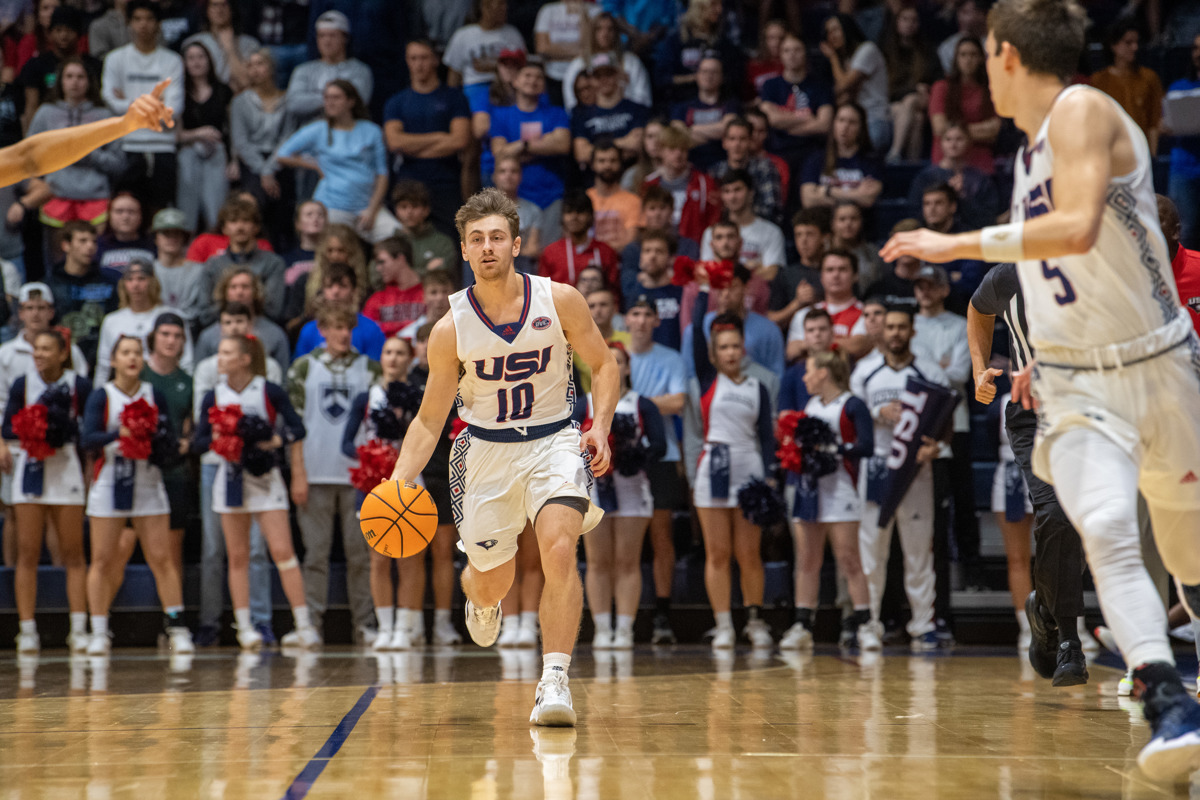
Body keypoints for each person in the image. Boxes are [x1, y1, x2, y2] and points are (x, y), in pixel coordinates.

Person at [881, 0, 1200, 776]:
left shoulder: (1084, 109)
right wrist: (1040, 359)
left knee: (1190, 558)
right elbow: (1064, 279)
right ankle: (1168, 703)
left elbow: (1081, 227)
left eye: (986, 53)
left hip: (1160, 366)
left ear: (1009, 55)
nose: (982, 67)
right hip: (1083, 383)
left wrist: (951, 243)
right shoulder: (1028, 159)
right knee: (1103, 529)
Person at [387, 187, 617, 727]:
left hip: (555, 438)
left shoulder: (559, 300)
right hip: (485, 451)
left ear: (516, 244)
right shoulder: (449, 330)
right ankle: (482, 598)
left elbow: (604, 366)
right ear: (464, 252)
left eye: (496, 237)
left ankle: (554, 679)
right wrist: (397, 481)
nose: (487, 247)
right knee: (492, 578)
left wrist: (599, 427)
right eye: (476, 240)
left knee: (560, 547)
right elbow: (428, 420)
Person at [967, 261, 1089, 686]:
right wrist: (978, 367)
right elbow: (978, 309)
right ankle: (1070, 640)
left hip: (1092, 415)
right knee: (1055, 514)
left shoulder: (1098, 268)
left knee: (1085, 525)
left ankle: (1043, 611)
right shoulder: (1007, 276)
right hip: (1032, 417)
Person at [194, 333, 314, 649]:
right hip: (230, 479)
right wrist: (219, 439)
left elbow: (298, 428)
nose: (219, 358)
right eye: (220, 352)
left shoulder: (269, 391)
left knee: (282, 552)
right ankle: (244, 628)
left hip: (266, 479)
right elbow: (197, 441)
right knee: (237, 556)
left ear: (245, 359)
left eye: (226, 352)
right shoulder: (212, 396)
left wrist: (275, 441)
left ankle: (304, 626)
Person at [81, 335, 192, 656]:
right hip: (109, 484)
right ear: (113, 360)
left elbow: (168, 439)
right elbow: (88, 439)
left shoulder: (153, 394)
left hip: (147, 483)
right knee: (102, 559)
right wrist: (121, 434)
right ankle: (99, 629)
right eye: (125, 352)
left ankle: (176, 625)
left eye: (137, 353)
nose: (132, 358)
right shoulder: (102, 395)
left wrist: (156, 440)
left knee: (162, 558)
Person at [684, 268, 776, 650]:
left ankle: (754, 620)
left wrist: (770, 478)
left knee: (749, 553)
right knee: (718, 553)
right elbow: (695, 339)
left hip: (750, 471)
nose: (731, 352)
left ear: (744, 349)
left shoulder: (760, 386)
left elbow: (768, 438)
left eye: (736, 346)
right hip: (713, 471)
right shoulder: (707, 380)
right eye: (723, 347)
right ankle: (723, 625)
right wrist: (705, 289)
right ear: (714, 353)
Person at [849, 307, 945, 651]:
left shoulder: (930, 371)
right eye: (890, 326)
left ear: (912, 331)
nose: (895, 332)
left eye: (902, 326)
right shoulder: (864, 372)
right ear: (881, 331)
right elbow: (850, 419)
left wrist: (936, 445)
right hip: (876, 469)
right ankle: (870, 623)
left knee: (918, 551)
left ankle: (923, 624)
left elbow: (944, 421)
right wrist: (877, 412)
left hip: (916, 472)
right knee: (872, 550)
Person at [288, 304, 380, 645]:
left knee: (361, 556)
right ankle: (309, 624)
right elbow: (294, 427)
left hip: (359, 478)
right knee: (315, 556)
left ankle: (366, 625)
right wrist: (298, 472)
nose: (343, 334)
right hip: (314, 474)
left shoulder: (370, 369)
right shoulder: (302, 368)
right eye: (335, 327)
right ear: (322, 330)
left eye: (347, 328)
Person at [191, 303, 281, 646]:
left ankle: (261, 622)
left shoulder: (268, 372)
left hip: (255, 471)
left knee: (256, 551)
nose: (231, 326)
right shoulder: (207, 373)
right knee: (216, 550)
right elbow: (201, 433)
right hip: (218, 471)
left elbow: (280, 426)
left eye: (238, 321)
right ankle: (211, 622)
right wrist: (220, 440)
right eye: (226, 320)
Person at [4, 328, 91, 653]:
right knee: (28, 552)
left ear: (62, 353)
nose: (38, 354)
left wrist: (60, 428)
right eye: (35, 349)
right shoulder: (22, 383)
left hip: (65, 469)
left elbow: (88, 430)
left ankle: (78, 629)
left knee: (73, 554)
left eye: (45, 349)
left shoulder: (78, 385)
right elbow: (7, 426)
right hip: (31, 471)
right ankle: (27, 629)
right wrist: (32, 425)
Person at [782, 349, 875, 650]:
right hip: (811, 488)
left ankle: (866, 624)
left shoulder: (852, 404)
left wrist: (833, 450)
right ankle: (802, 624)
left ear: (823, 372)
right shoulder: (810, 405)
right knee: (808, 560)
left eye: (809, 371)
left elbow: (867, 446)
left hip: (841, 490)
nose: (805, 377)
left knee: (849, 559)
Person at [341, 335, 422, 650]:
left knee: (409, 559)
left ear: (410, 358)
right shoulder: (366, 397)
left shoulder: (418, 397)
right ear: (381, 358)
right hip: (374, 483)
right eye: (388, 352)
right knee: (378, 558)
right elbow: (345, 443)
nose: (393, 358)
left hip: (410, 481)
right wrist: (370, 456)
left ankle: (405, 628)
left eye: (400, 353)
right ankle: (385, 628)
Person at [584, 340, 665, 648]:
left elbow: (660, 446)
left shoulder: (643, 404)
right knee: (597, 561)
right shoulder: (583, 404)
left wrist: (634, 455)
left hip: (632, 488)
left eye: (619, 361)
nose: (614, 366)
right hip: (595, 490)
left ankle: (625, 630)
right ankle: (603, 629)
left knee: (627, 561)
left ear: (628, 367)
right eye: (608, 361)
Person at [624, 295, 686, 643]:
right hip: (619, 456)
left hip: (661, 456)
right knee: (619, 538)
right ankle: (619, 620)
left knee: (661, 534)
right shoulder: (612, 351)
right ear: (627, 319)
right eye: (635, 312)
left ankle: (663, 613)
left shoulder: (671, 358)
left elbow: (678, 402)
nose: (642, 319)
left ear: (656, 321)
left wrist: (635, 405)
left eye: (648, 314)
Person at [275, 79, 399, 244]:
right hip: (332, 206)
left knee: (399, 237)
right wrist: (314, 164)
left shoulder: (371, 130)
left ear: (351, 101)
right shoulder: (318, 129)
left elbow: (382, 173)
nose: (330, 102)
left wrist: (372, 209)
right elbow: (283, 154)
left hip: (367, 206)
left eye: (336, 97)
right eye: (327, 98)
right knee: (335, 246)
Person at [404, 321, 466, 646]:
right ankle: (411, 625)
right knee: (411, 552)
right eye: (422, 341)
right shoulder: (407, 383)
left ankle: (442, 624)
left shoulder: (460, 381)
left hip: (445, 475)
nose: (427, 346)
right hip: (414, 475)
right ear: (415, 347)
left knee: (444, 552)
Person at [26, 57, 123, 244]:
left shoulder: (104, 115)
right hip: (55, 196)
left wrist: (89, 154)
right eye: (69, 76)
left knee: (91, 256)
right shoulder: (45, 113)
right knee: (57, 263)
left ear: (90, 81)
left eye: (80, 77)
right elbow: (29, 157)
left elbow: (118, 163)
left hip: (95, 198)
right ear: (61, 81)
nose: (74, 82)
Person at [100, 0, 185, 212]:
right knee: (126, 211)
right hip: (126, 145)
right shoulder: (115, 59)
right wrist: (155, 104)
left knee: (160, 211)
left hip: (163, 145)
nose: (143, 25)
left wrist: (129, 104)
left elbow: (174, 108)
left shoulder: (172, 61)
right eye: (137, 19)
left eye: (149, 19)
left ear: (158, 24)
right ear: (129, 23)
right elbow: (110, 100)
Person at [384, 40, 471, 239]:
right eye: (413, 58)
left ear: (435, 60)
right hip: (409, 179)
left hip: (446, 181)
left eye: (424, 58)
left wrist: (412, 145)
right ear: (407, 61)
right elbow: (395, 143)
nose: (419, 64)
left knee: (450, 240)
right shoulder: (396, 102)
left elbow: (459, 141)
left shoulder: (454, 98)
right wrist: (440, 137)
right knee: (407, 241)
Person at [489, 59, 571, 236]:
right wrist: (532, 143)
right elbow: (500, 153)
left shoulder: (556, 113)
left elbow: (562, 145)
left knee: (549, 253)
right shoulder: (501, 115)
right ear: (515, 81)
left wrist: (518, 149)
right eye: (527, 75)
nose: (533, 81)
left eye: (539, 77)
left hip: (551, 194)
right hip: (515, 196)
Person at [231, 49, 294, 249]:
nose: (255, 70)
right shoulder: (240, 102)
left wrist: (271, 168)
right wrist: (264, 170)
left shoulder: (288, 100)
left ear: (272, 67)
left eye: (260, 64)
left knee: (283, 207)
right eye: (250, 65)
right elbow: (241, 141)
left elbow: (289, 137)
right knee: (255, 203)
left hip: (282, 159)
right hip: (252, 160)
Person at [757, 33, 834, 194]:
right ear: (781, 55)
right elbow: (770, 119)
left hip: (812, 151)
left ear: (805, 53)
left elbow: (824, 125)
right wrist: (806, 117)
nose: (792, 55)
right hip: (778, 150)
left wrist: (785, 124)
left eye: (797, 50)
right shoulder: (770, 85)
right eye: (787, 50)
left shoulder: (820, 86)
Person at [194, 196, 286, 328]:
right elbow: (204, 315)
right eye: (233, 221)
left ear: (256, 227)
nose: (240, 226)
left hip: (261, 330)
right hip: (219, 330)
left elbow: (273, 311)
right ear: (224, 228)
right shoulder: (212, 265)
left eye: (246, 220)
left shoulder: (273, 263)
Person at [988, 387, 1034, 649]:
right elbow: (988, 436)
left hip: (1049, 473)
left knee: (1061, 555)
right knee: (1017, 558)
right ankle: (1027, 629)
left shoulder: (1057, 394)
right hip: (1011, 477)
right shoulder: (999, 405)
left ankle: (1072, 628)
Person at [682, 261, 785, 378]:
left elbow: (777, 377)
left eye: (732, 287)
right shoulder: (695, 330)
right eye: (720, 286)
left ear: (746, 288)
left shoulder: (769, 331)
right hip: (707, 394)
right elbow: (688, 375)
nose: (725, 293)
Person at [94, 262, 193, 383]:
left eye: (141, 279)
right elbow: (104, 366)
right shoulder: (111, 321)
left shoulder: (172, 317)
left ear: (152, 282)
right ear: (123, 285)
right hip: (123, 388)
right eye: (130, 279)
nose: (135, 285)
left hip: (164, 385)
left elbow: (186, 362)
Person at [175, 41, 233, 235]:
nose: (196, 62)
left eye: (201, 57)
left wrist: (235, 161)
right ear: (184, 63)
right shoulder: (178, 92)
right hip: (188, 152)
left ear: (209, 60)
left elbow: (234, 130)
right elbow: (174, 134)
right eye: (190, 58)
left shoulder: (223, 90)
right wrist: (198, 133)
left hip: (217, 153)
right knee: (187, 211)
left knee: (216, 212)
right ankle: (189, 252)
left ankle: (215, 254)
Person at [45, 220, 118, 367]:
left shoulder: (110, 282)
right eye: (83, 241)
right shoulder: (50, 285)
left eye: (94, 241)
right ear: (66, 245)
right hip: (62, 359)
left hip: (102, 358)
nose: (90, 246)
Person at [284, 10, 372, 130]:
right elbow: (293, 104)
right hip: (307, 135)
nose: (327, 41)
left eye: (332, 35)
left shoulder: (360, 70)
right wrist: (336, 98)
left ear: (345, 38)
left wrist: (312, 100)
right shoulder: (303, 70)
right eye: (322, 36)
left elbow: (358, 102)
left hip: (346, 133)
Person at [1089, 20, 1163, 156]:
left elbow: (1155, 120)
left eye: (1137, 43)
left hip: (1141, 151)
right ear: (1114, 45)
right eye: (1128, 43)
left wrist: (1152, 155)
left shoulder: (1149, 77)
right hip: (1110, 152)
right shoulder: (1098, 80)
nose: (1134, 47)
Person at [18, 7, 99, 130]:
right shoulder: (35, 65)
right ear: (50, 33)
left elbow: (98, 100)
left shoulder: (94, 66)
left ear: (78, 33)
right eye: (58, 30)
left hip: (87, 125)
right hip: (48, 128)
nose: (63, 35)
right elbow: (31, 106)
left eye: (69, 30)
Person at [908, 123, 1002, 229]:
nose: (953, 144)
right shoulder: (925, 178)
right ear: (941, 143)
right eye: (948, 139)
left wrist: (963, 197)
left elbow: (989, 217)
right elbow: (914, 212)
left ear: (969, 142)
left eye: (959, 139)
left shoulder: (981, 179)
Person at [699, 170, 786, 284]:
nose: (732, 197)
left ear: (750, 193)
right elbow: (706, 273)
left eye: (737, 190)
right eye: (727, 191)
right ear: (722, 196)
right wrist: (753, 269)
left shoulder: (771, 232)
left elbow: (772, 273)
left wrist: (728, 272)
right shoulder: (712, 232)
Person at [786, 249, 871, 363]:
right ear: (821, 276)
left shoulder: (867, 313)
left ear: (855, 275)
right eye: (829, 270)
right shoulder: (803, 314)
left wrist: (810, 344)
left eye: (842, 269)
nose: (836, 275)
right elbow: (792, 351)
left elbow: (857, 346)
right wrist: (840, 343)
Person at [879, 5, 940, 163]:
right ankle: (911, 162)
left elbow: (936, 82)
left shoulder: (927, 51)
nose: (909, 24)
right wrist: (914, 89)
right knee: (917, 118)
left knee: (912, 102)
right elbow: (886, 89)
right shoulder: (886, 52)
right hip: (891, 105)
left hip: (922, 101)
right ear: (896, 22)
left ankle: (895, 153)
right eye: (905, 19)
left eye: (914, 20)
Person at [821, 14, 891, 152]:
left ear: (847, 28)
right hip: (854, 120)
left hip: (875, 120)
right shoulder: (846, 59)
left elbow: (844, 85)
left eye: (836, 29)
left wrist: (833, 57)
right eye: (828, 32)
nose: (832, 36)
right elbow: (843, 97)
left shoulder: (867, 49)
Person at [929, 36, 998, 174]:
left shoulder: (990, 90)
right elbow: (939, 128)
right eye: (963, 55)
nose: (968, 60)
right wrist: (979, 130)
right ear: (956, 58)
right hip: (946, 158)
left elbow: (993, 130)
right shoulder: (941, 87)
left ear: (981, 59)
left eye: (973, 55)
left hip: (980, 160)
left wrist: (954, 132)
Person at [194, 268, 290, 367]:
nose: (239, 292)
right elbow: (199, 374)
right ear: (225, 292)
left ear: (255, 292)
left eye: (245, 287)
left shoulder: (275, 334)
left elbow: (282, 377)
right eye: (233, 287)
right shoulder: (208, 337)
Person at [643, 124, 721, 244]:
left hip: (693, 247)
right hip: (660, 246)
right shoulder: (649, 184)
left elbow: (713, 219)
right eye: (672, 149)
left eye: (683, 149)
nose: (678, 154)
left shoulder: (704, 183)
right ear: (661, 151)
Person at [441, 0, 526, 110]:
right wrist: (451, 103)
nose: (504, 8)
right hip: (474, 87)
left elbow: (522, 69)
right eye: (499, 4)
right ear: (484, 7)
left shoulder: (512, 34)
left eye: (505, 4)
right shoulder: (463, 35)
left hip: (506, 88)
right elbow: (454, 75)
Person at [560, 12, 651, 113]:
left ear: (616, 33)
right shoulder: (578, 65)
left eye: (610, 29)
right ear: (592, 33)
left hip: (627, 117)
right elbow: (571, 103)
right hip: (590, 120)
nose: (605, 33)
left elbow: (643, 98)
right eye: (599, 29)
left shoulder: (631, 62)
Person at [800, 102, 883, 211]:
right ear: (834, 123)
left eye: (852, 122)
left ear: (861, 127)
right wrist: (855, 194)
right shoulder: (816, 159)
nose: (845, 127)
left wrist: (827, 191)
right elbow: (808, 200)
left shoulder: (871, 160)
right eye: (841, 120)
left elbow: (867, 199)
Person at [293, 263, 385, 360]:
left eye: (343, 286)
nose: (335, 291)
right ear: (322, 291)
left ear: (354, 291)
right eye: (329, 286)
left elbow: (376, 369)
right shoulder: (309, 330)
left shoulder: (370, 329)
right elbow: (300, 371)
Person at [918, 183, 988, 311]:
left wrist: (936, 281)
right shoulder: (918, 238)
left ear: (952, 207)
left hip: (961, 310)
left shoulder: (968, 239)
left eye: (938, 203)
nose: (931, 209)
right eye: (927, 204)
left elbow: (970, 285)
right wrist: (950, 277)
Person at [571, 54, 648, 166]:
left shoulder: (636, 109)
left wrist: (595, 149)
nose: (604, 80)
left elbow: (636, 144)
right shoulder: (581, 113)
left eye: (609, 74)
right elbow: (582, 153)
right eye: (598, 76)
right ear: (592, 80)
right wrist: (623, 142)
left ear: (618, 76)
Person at [537, 191, 620, 293]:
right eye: (569, 212)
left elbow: (614, 293)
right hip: (560, 307)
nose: (574, 217)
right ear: (562, 217)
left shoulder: (606, 252)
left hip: (597, 307)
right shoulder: (550, 253)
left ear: (590, 216)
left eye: (580, 211)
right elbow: (542, 292)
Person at [668, 53, 738, 174]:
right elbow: (678, 137)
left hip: (723, 166)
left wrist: (691, 129)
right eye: (704, 71)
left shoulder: (731, 105)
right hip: (690, 167)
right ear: (697, 75)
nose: (709, 76)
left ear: (722, 77)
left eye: (714, 72)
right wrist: (716, 134)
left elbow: (729, 130)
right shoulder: (682, 107)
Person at [710, 117, 784, 229]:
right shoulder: (715, 171)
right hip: (723, 231)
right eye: (732, 139)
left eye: (742, 139)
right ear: (725, 142)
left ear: (750, 142)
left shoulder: (764, 168)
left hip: (759, 230)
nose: (737, 144)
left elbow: (772, 210)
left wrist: (741, 213)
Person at [1164, 35, 1200, 250]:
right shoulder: (1178, 87)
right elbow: (1163, 124)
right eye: (1195, 48)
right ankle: (1184, 281)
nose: (1198, 52)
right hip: (1184, 169)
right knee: (1185, 229)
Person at [182, 0, 260, 92]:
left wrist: (229, 48)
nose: (219, 10)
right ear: (207, 10)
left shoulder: (250, 44)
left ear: (232, 9)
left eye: (224, 5)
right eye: (214, 5)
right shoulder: (193, 43)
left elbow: (246, 82)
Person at [767, 208, 826, 328]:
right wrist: (797, 303)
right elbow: (771, 319)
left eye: (810, 234)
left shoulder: (835, 271)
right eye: (798, 235)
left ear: (824, 238)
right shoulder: (785, 274)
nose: (803, 241)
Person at [391, 180, 462, 278]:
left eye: (415, 206)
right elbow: (377, 277)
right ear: (396, 211)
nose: (409, 212)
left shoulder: (443, 243)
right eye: (403, 207)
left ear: (426, 210)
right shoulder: (389, 244)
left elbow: (446, 276)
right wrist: (427, 271)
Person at [626, 231, 683, 350]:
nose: (652, 256)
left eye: (659, 251)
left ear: (671, 258)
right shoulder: (633, 294)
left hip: (675, 362)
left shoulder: (681, 293)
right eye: (647, 251)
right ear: (641, 257)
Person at [533, 0, 600, 100]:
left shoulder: (595, 11)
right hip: (553, 76)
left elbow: (592, 45)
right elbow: (542, 48)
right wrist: (579, 51)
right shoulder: (548, 10)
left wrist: (583, 16)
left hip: (585, 75)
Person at [363, 235, 424, 338]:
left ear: (400, 259)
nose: (378, 268)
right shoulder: (377, 299)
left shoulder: (430, 293)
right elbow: (367, 334)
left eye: (382, 262)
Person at [494, 154, 545, 274]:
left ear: (520, 176)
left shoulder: (533, 210)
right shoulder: (482, 211)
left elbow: (532, 249)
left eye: (514, 171)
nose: (508, 175)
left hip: (522, 268)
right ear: (494, 176)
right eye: (502, 171)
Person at [1158, 195, 1200, 334]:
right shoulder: (1127, 278)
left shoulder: (1197, 269)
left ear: (1175, 231)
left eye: (1156, 220)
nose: (1149, 229)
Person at [150, 208, 200, 319]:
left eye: (176, 233)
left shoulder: (198, 271)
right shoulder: (148, 270)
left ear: (184, 237)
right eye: (166, 233)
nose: (171, 238)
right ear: (156, 237)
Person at [94, 192, 156, 275]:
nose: (125, 217)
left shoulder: (154, 245)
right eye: (119, 211)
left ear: (141, 216)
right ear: (109, 215)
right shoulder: (96, 245)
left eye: (131, 212)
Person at [831, 201, 883, 292]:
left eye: (853, 219)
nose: (848, 224)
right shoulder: (822, 251)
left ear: (861, 222)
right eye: (842, 219)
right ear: (833, 224)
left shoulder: (874, 253)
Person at [396, 269, 454, 341]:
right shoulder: (407, 336)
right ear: (424, 296)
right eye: (433, 292)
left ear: (453, 294)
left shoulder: (462, 328)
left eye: (445, 292)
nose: (440, 298)